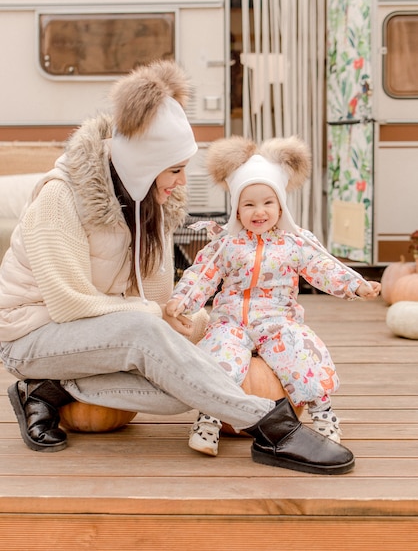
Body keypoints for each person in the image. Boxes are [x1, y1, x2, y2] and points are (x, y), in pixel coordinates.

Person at [0, 60, 355, 476]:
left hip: (101, 333)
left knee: (184, 385)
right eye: (174, 169)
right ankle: (272, 426)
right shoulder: (60, 198)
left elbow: (159, 302)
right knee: (150, 336)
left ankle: (47, 390)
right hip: (30, 335)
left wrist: (209, 323)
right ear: (142, 166)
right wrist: (153, 319)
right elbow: (68, 304)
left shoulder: (150, 208)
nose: (183, 181)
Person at [166, 136, 381, 457]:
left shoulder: (295, 243)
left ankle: (323, 417)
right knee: (216, 358)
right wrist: (182, 301)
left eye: (267, 202)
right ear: (237, 208)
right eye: (249, 203)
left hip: (278, 320)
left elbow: (324, 266)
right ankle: (208, 420)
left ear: (280, 205)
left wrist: (356, 285)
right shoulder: (227, 244)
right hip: (232, 321)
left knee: (305, 354)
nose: (259, 211)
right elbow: (202, 275)